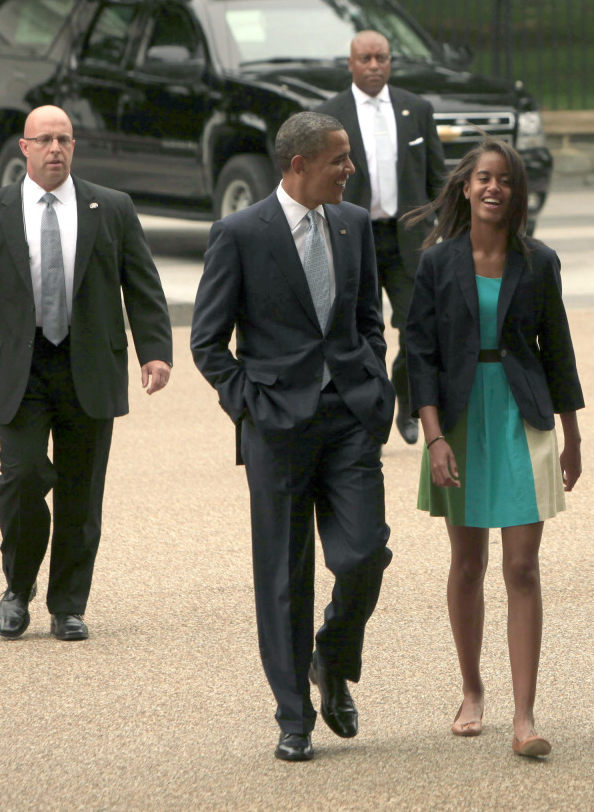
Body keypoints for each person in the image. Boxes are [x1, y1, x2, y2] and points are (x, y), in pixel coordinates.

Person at [190, 111, 395, 762]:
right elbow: (206, 341)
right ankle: (294, 716)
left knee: (364, 553)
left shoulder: (354, 223)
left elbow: (367, 318)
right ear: (299, 164)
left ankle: (331, 660)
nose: (351, 169)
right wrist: (251, 406)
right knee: (283, 575)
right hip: (276, 428)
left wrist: (373, 386)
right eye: (339, 159)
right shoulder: (240, 233)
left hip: (350, 420)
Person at [405, 137, 584, 758]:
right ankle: (472, 688)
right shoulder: (435, 263)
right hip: (456, 421)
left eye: (504, 180)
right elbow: (419, 356)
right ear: (466, 185)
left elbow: (557, 348)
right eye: (483, 177)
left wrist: (573, 433)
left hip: (521, 414)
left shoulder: (538, 262)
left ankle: (525, 716)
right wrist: (431, 439)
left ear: (516, 192)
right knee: (468, 563)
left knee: (522, 566)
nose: (493, 188)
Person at [0, 105, 172, 642]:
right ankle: (17, 588)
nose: (56, 148)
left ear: (74, 146)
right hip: (21, 367)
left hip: (90, 365)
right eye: (45, 140)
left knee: (81, 490)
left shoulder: (113, 207)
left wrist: (155, 350)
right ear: (24, 148)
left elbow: (143, 285)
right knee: (24, 477)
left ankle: (68, 605)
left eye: (65, 139)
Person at [316, 29, 447, 445]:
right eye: (366, 59)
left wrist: (443, 227)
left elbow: (437, 177)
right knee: (358, 330)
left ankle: (408, 407)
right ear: (350, 64)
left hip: (409, 239)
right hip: (354, 239)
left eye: (382, 58)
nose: (374, 66)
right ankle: (367, 409)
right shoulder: (330, 116)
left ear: (391, 62)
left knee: (416, 329)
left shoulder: (417, 109)